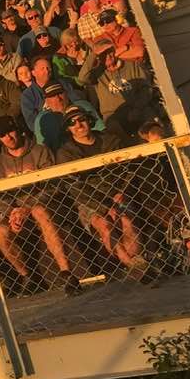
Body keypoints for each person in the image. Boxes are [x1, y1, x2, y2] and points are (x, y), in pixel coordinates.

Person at [0, 116, 81, 297]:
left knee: (39, 211)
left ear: (18, 130)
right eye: (2, 135)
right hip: (17, 213)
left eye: (10, 131)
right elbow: (0, 196)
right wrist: (11, 214)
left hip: (47, 206)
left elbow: (52, 186)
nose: (8, 137)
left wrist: (27, 207)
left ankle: (66, 273)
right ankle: (29, 277)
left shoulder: (39, 151)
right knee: (0, 230)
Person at [56, 107, 143, 270]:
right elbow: (76, 189)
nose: (78, 124)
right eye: (71, 122)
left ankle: (132, 262)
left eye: (81, 119)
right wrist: (104, 206)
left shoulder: (111, 141)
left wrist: (121, 192)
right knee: (104, 225)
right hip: (89, 201)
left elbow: (128, 169)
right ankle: (134, 266)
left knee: (127, 222)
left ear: (89, 120)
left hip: (118, 193)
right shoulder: (65, 153)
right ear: (67, 128)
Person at [33, 82, 103, 152]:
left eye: (60, 93)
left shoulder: (83, 107)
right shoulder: (43, 119)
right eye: (52, 96)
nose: (58, 99)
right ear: (46, 100)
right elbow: (43, 148)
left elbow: (102, 131)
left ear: (66, 94)